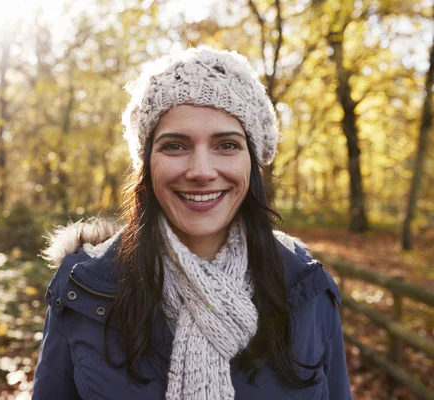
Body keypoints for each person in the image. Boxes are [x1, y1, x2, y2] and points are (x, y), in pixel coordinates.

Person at [31, 46, 352, 399]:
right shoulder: (82, 290)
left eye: (227, 145)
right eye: (175, 146)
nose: (200, 171)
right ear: (147, 165)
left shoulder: (308, 292)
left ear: (252, 162)